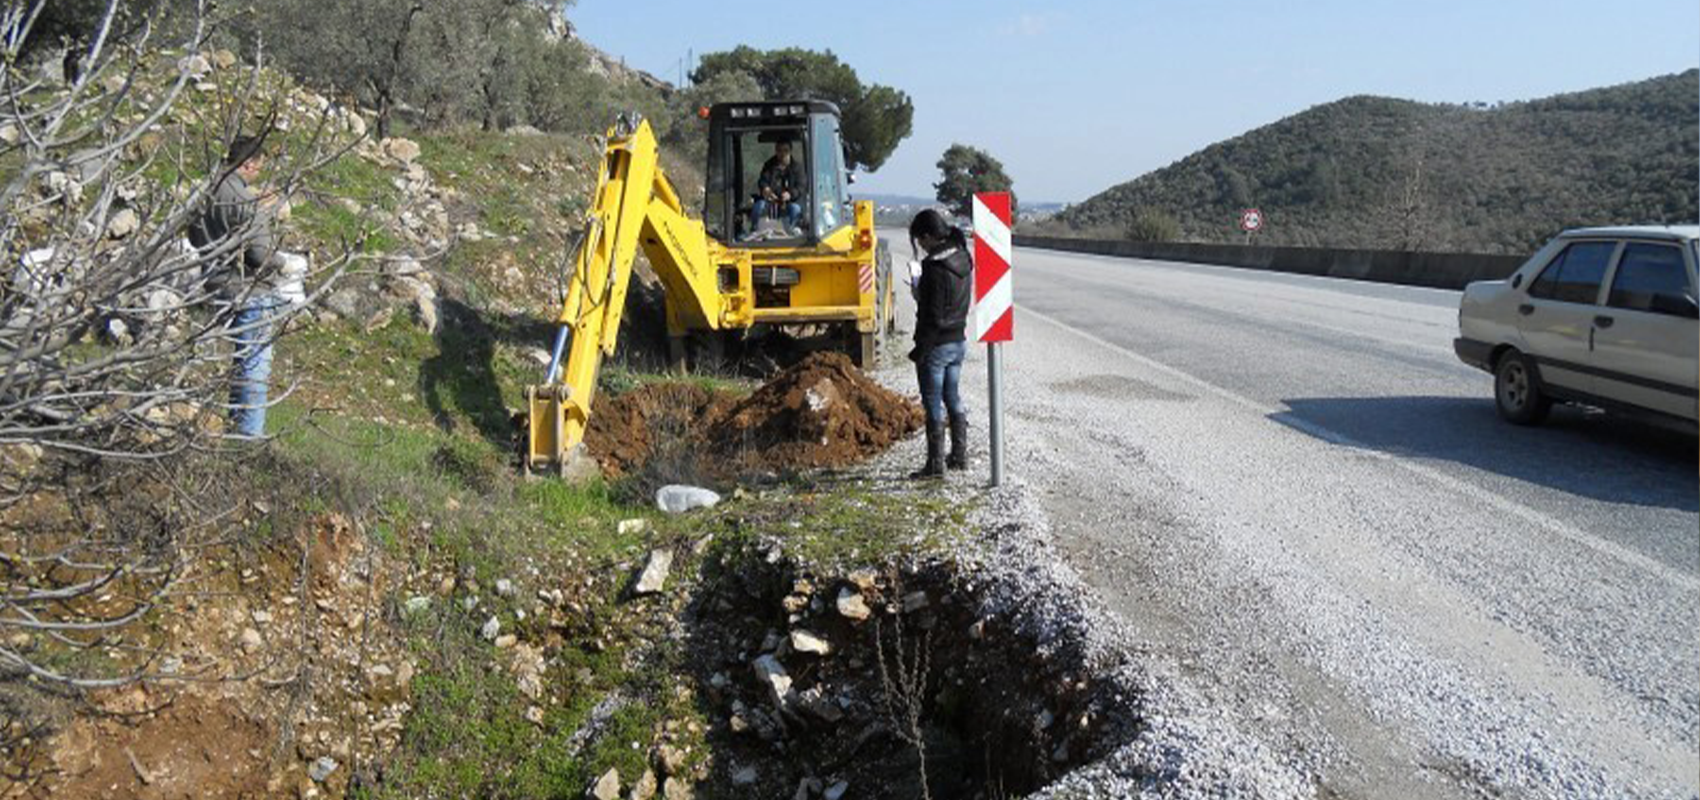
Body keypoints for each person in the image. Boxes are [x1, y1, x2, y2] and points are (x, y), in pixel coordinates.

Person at [188, 134, 284, 438]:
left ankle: (232, 426)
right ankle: (247, 438)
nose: (257, 174)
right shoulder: (244, 201)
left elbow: (194, 236)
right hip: (248, 289)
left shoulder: (206, 190)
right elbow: (260, 254)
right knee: (253, 367)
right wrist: (283, 263)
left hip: (215, 283)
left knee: (239, 362)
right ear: (248, 163)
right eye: (257, 167)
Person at [906, 209, 973, 479]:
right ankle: (959, 455)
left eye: (920, 241)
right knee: (953, 397)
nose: (920, 246)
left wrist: (921, 350)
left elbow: (933, 315)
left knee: (933, 402)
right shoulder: (963, 257)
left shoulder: (933, 268)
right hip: (958, 341)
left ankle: (935, 465)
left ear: (928, 236)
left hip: (936, 345)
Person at [752, 140, 804, 231]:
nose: (782, 154)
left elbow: (801, 187)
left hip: (790, 202)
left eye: (785, 150)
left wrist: (790, 194)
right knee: (759, 206)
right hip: (771, 202)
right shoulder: (769, 166)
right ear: (776, 151)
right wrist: (766, 189)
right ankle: (755, 230)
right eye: (779, 150)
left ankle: (792, 233)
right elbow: (762, 181)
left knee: (795, 209)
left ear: (790, 151)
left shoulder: (797, 168)